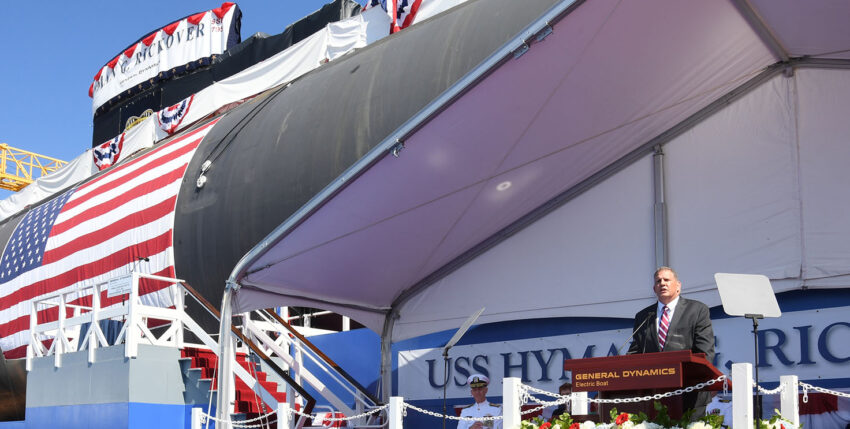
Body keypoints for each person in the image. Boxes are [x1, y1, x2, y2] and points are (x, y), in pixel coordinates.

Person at [627, 266, 715, 419]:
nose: (662, 283)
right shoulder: (643, 316)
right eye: (658, 281)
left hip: (689, 394)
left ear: (678, 285)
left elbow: (705, 352)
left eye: (667, 280)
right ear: (654, 288)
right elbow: (635, 353)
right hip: (652, 396)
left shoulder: (697, 310)